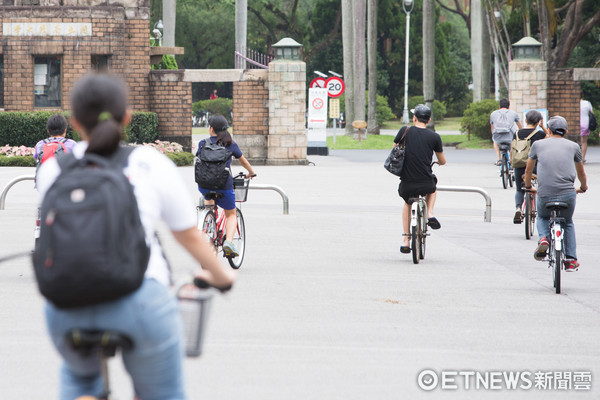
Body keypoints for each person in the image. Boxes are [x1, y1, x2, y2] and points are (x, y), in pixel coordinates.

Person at [36, 73, 236, 400]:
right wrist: (222, 276)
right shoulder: (149, 163)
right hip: (140, 298)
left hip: (66, 303)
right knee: (162, 392)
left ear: (74, 122)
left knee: (79, 379)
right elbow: (188, 236)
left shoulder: (53, 170)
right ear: (127, 117)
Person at [524, 115, 587, 271]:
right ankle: (571, 259)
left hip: (545, 193)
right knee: (568, 222)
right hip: (568, 194)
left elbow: (528, 170)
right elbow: (581, 173)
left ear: (549, 129)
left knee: (543, 216)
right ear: (565, 131)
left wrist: (528, 186)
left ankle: (544, 238)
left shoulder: (537, 145)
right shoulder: (574, 147)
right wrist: (583, 187)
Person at [196, 115, 256, 257]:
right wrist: (251, 173)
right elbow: (243, 161)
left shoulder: (202, 143)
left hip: (204, 184)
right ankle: (228, 242)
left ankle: (208, 222)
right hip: (224, 185)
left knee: (209, 202)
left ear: (211, 129)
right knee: (231, 214)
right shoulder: (230, 144)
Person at [393, 104, 446, 254]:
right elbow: (442, 160)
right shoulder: (434, 137)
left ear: (414, 118)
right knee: (433, 188)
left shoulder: (405, 131)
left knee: (407, 203)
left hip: (407, 183)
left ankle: (406, 240)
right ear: (428, 120)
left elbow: (394, 149)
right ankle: (430, 213)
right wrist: (439, 162)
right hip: (425, 183)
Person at [512, 110, 547, 224]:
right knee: (541, 188)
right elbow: (551, 138)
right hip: (535, 167)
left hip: (519, 165)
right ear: (538, 122)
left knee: (519, 189)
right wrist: (543, 127)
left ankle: (518, 208)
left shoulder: (516, 133)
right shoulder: (540, 134)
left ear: (525, 120)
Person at [490, 98, 523, 165]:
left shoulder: (493, 114)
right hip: (510, 137)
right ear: (509, 106)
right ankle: (511, 160)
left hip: (497, 137)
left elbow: (492, 128)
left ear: (499, 106)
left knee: (495, 143)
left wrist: (493, 136)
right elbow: (520, 126)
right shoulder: (513, 113)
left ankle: (499, 160)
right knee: (512, 144)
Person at [579, 94, 593, 163]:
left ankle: (577, 158)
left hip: (577, 122)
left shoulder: (574, 103)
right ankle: (583, 158)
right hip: (585, 123)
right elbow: (592, 113)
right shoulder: (587, 103)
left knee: (578, 141)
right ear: (582, 96)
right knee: (584, 142)